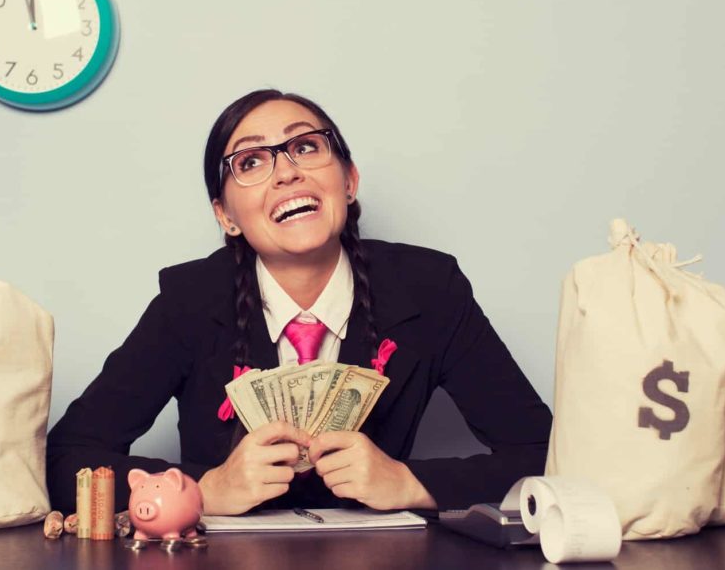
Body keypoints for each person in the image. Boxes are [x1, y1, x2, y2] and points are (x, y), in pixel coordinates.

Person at [46, 89, 552, 515]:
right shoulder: (189, 303)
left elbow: (545, 451)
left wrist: (406, 483)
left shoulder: (428, 288)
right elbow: (70, 457)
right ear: (226, 217)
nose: (286, 173)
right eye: (250, 161)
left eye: (306, 147)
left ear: (348, 181)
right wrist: (207, 489)